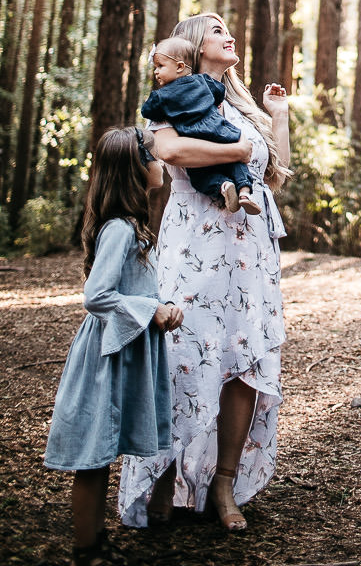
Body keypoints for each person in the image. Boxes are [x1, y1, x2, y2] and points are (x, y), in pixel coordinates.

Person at [119, 13, 290, 533]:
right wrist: (236, 149)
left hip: (251, 253)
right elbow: (168, 150)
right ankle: (166, 475)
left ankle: (223, 482)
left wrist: (277, 115)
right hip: (195, 243)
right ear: (194, 46)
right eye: (216, 29)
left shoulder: (241, 105)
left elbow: (274, 175)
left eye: (227, 28)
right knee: (182, 355)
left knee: (244, 360)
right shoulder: (177, 92)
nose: (228, 33)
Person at [44, 127, 184, 566]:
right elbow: (97, 295)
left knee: (104, 450)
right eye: (155, 157)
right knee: (93, 454)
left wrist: (162, 307)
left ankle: (98, 541)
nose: (161, 163)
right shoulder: (120, 230)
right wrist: (150, 310)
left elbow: (130, 288)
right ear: (136, 170)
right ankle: (86, 549)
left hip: (124, 350)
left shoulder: (133, 227)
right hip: (106, 355)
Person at [142, 35, 260, 215]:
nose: (156, 72)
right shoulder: (203, 81)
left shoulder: (162, 95)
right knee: (237, 163)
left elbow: (147, 110)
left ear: (180, 66)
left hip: (194, 134)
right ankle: (244, 191)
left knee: (199, 176)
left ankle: (223, 185)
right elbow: (219, 91)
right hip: (221, 130)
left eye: (160, 66)